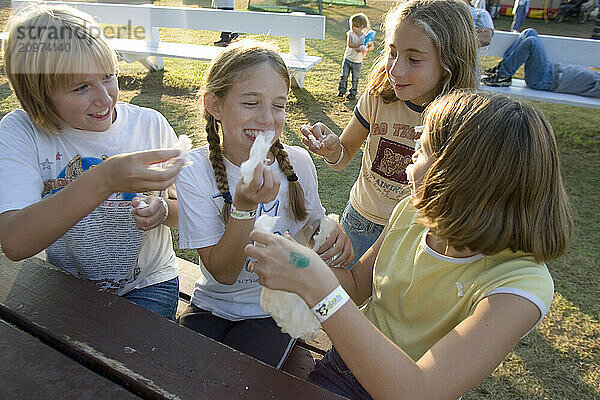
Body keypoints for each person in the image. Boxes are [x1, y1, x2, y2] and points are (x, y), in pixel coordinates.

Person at [246, 90, 573, 400]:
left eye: (422, 149)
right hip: (345, 366)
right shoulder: (414, 211)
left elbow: (417, 391)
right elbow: (360, 285)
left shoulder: (521, 287)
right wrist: (306, 260)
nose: (411, 157)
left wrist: (318, 285)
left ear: (460, 178)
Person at [174, 41, 353, 368]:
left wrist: (331, 235)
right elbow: (223, 273)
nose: (267, 119)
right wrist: (244, 207)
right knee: (182, 374)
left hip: (272, 310)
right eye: (251, 102)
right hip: (211, 303)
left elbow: (311, 238)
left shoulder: (297, 163)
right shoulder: (193, 170)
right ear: (215, 104)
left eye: (279, 105)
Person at [0, 5, 185, 320]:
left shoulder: (149, 125)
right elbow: (15, 243)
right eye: (80, 87)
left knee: (129, 363)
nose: (105, 98)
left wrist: (164, 211)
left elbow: (192, 211)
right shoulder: (21, 132)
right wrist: (105, 178)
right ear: (40, 94)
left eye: (108, 77)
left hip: (149, 284)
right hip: (66, 284)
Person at [301, 0, 478, 266]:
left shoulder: (460, 119)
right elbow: (344, 155)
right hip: (360, 222)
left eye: (414, 59)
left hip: (416, 234)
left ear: (449, 61)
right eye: (392, 53)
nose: (395, 69)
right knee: (345, 296)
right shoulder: (378, 98)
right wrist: (332, 148)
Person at [482, 28, 600, 97]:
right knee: (529, 32)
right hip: (550, 69)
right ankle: (502, 69)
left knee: (531, 42)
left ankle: (502, 76)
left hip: (544, 80)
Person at [337, 13, 375, 101]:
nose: (353, 28)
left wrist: (364, 48)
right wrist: (359, 46)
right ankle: (341, 91)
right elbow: (350, 44)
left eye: (355, 26)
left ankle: (353, 93)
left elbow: (371, 47)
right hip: (348, 59)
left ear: (362, 26)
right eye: (352, 26)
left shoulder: (365, 36)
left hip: (357, 62)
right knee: (344, 76)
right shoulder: (351, 34)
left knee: (355, 78)